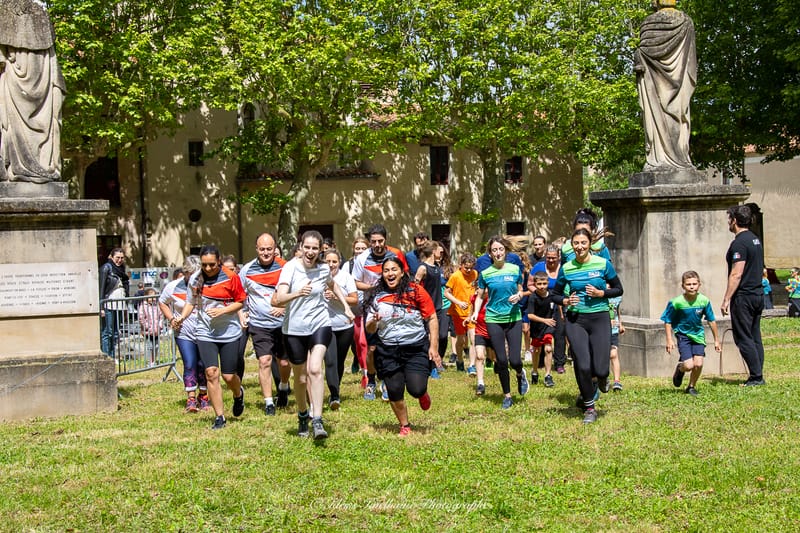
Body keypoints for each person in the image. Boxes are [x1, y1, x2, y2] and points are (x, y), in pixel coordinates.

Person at [272, 231, 354, 439]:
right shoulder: (290, 268)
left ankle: (317, 419)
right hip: (295, 329)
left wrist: (346, 306)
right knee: (300, 377)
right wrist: (297, 293)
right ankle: (302, 414)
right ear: (301, 247)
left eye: (315, 248)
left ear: (320, 249)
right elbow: (279, 298)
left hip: (320, 324)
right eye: (307, 247)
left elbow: (332, 284)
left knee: (315, 369)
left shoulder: (323, 268)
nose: (310, 252)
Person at [552, 228, 623, 424]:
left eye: (583, 243)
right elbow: (554, 294)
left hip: (599, 318)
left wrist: (602, 294)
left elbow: (618, 289)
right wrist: (566, 301)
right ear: (571, 245)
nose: (580, 247)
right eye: (576, 243)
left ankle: (601, 379)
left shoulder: (602, 264)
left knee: (600, 370)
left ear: (590, 244)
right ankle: (589, 407)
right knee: (582, 365)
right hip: (576, 320)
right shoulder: (567, 268)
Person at [364, 257, 438, 436]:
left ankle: (422, 394)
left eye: (394, 269)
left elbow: (432, 317)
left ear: (402, 272)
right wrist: (374, 321)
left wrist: (433, 347)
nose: (390, 274)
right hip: (388, 350)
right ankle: (405, 425)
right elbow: (369, 327)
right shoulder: (376, 296)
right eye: (386, 271)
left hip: (415, 347)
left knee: (416, 388)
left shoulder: (415, 291)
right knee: (394, 391)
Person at [176, 245, 246, 430]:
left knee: (229, 376)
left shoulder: (231, 277)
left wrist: (223, 310)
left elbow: (240, 301)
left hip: (229, 331)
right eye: (205, 265)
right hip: (205, 331)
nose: (208, 269)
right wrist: (181, 318)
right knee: (211, 373)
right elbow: (190, 302)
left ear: (219, 261)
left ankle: (238, 394)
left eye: (212, 265)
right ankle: (220, 417)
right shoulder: (195, 279)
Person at [0, 0, 65, 183]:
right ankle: (41, 166)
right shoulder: (40, 14)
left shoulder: (7, 10)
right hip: (33, 79)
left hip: (18, 77)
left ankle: (26, 167)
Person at [634, 0, 697, 171]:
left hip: (654, 85)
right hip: (680, 85)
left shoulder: (648, 23)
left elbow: (643, 53)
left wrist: (638, 57)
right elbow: (690, 64)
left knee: (656, 117)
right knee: (679, 117)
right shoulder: (686, 22)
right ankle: (680, 156)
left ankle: (659, 157)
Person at [351, 224, 409, 400]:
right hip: (371, 306)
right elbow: (355, 282)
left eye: (380, 241)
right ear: (369, 241)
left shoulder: (395, 254)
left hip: (393, 306)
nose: (377, 244)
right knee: (372, 348)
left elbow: (405, 276)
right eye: (373, 241)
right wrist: (372, 287)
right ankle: (370, 380)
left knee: (390, 345)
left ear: (386, 240)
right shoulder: (362, 258)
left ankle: (386, 380)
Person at [469, 236, 529, 409]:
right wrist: (474, 313)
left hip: (513, 318)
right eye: (494, 250)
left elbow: (520, 290)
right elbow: (480, 295)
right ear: (490, 253)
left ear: (506, 251)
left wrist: (519, 296)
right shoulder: (486, 273)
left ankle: (519, 373)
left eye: (500, 249)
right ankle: (507, 396)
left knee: (515, 360)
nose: (498, 253)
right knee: (501, 360)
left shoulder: (515, 269)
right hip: (493, 318)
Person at [239, 232, 291, 416]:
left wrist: (284, 308)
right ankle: (269, 402)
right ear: (256, 249)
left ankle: (283, 387)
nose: (266, 252)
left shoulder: (286, 268)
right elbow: (238, 295)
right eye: (262, 249)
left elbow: (296, 293)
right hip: (259, 323)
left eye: (269, 249)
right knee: (264, 361)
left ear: (275, 249)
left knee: (284, 362)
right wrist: (241, 313)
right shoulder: (247, 270)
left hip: (284, 324)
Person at [721, 205, 766, 386]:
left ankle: (756, 377)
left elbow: (736, 273)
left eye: (729, 219)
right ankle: (757, 373)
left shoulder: (739, 243)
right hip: (757, 294)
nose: (728, 223)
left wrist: (726, 299)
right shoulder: (755, 239)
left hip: (744, 296)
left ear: (735, 221)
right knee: (754, 335)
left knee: (743, 337)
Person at [158, 255, 209, 413]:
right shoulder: (173, 286)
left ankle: (204, 396)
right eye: (190, 274)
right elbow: (162, 302)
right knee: (189, 363)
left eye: (197, 273)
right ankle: (191, 399)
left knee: (203, 364)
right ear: (185, 272)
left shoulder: (206, 285)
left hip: (204, 330)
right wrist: (172, 318)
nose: (194, 277)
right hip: (184, 331)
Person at [662, 271, 721, 396]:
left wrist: (716, 340)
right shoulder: (676, 302)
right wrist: (669, 339)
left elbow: (711, 320)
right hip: (683, 335)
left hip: (698, 335)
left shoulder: (704, 301)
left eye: (694, 284)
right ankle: (680, 369)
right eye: (688, 284)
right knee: (689, 365)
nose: (692, 286)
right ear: (683, 286)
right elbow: (667, 321)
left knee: (698, 363)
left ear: (699, 285)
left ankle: (691, 386)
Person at [323, 248, 358, 410]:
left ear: (339, 263)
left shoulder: (346, 277)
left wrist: (337, 296)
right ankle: (334, 395)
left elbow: (354, 300)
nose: (331, 265)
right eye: (327, 261)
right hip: (325, 325)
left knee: (339, 361)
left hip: (344, 325)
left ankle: (335, 389)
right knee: (330, 361)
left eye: (334, 261)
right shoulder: (318, 277)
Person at [414, 242, 447, 378]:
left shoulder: (437, 267)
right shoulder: (423, 267)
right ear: (433, 251)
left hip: (439, 306)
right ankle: (431, 366)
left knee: (441, 336)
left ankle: (437, 361)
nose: (441, 251)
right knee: (430, 338)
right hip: (427, 307)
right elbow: (415, 287)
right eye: (439, 249)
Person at [445, 252, 478, 376]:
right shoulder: (455, 276)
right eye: (466, 268)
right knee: (461, 339)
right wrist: (458, 302)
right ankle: (459, 361)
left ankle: (472, 365)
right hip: (458, 313)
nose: (469, 270)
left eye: (471, 267)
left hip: (471, 312)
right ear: (461, 265)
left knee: (474, 338)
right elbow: (447, 293)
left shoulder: (475, 274)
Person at [342, 237, 369, 381]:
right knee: (358, 342)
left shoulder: (370, 263)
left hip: (369, 307)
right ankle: (360, 363)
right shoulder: (348, 265)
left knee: (365, 342)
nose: (359, 251)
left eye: (363, 248)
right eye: (357, 248)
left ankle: (367, 373)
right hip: (354, 308)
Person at [527, 271, 556, 388]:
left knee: (548, 349)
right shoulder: (533, 297)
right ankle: (534, 371)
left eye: (544, 283)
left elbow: (559, 303)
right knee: (537, 350)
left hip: (549, 326)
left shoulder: (552, 295)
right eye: (539, 284)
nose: (542, 286)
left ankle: (548, 375)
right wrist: (544, 320)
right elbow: (530, 315)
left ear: (548, 283)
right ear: (534, 284)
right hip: (537, 327)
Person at [98, 248, 129, 358]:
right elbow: (101, 288)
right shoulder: (106, 268)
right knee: (108, 332)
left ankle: (113, 355)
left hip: (120, 304)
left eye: (122, 258)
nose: (120, 260)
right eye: (117, 257)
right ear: (111, 257)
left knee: (116, 332)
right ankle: (107, 357)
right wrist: (101, 306)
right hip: (108, 304)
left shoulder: (122, 270)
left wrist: (126, 307)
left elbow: (125, 288)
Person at [138, 288, 162, 366]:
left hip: (156, 329)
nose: (154, 298)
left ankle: (154, 360)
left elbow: (161, 315)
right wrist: (146, 326)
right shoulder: (143, 306)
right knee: (150, 346)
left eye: (154, 296)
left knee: (156, 346)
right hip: (148, 330)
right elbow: (141, 317)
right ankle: (150, 361)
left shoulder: (157, 305)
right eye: (151, 296)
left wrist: (160, 325)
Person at [608, 292, 625, 392]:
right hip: (602, 331)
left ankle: (617, 381)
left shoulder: (617, 298)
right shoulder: (599, 298)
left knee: (614, 354)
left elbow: (617, 311)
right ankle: (603, 378)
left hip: (614, 331)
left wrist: (620, 324)